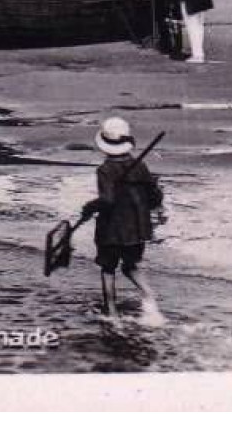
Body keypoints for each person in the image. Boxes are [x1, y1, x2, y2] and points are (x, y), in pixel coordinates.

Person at [80, 117, 164, 325]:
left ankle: (111, 311)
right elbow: (154, 196)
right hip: (138, 228)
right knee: (130, 266)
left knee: (108, 268)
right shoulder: (140, 165)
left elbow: (107, 200)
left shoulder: (105, 170)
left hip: (113, 230)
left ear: (105, 146)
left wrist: (90, 207)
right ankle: (149, 295)